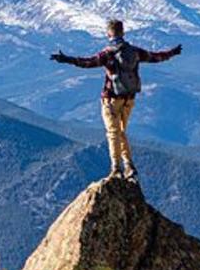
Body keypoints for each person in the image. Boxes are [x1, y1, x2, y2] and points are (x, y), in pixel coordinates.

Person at [50, 19, 181, 181]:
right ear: (123, 32)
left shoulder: (108, 53)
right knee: (121, 132)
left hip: (111, 98)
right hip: (129, 99)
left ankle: (116, 168)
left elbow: (88, 62)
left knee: (113, 133)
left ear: (108, 33)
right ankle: (129, 166)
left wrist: (67, 59)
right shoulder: (133, 51)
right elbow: (155, 57)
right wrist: (172, 52)